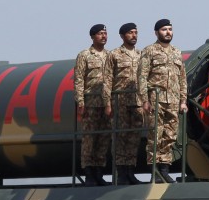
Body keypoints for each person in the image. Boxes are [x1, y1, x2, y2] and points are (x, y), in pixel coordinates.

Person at [137, 18, 187, 184]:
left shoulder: (176, 52)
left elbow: (182, 79)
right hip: (155, 100)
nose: (168, 32)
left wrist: (183, 101)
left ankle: (164, 169)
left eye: (170, 29)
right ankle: (154, 171)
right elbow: (142, 77)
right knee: (155, 135)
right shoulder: (149, 51)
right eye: (164, 29)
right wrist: (144, 100)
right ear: (157, 32)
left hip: (173, 101)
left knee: (170, 136)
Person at [73, 23, 112, 186]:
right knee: (89, 140)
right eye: (100, 33)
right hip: (90, 104)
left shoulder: (110, 56)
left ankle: (99, 173)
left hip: (106, 104)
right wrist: (80, 102)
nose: (103, 36)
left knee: (103, 139)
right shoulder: (84, 55)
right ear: (92, 37)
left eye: (105, 33)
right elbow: (79, 80)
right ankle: (89, 173)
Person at [110, 23, 143, 185]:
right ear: (122, 36)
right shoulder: (114, 55)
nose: (134, 35)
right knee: (120, 137)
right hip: (120, 101)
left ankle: (130, 171)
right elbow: (106, 79)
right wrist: (107, 103)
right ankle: (121, 172)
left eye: (136, 32)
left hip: (136, 101)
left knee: (133, 138)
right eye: (130, 33)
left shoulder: (140, 55)